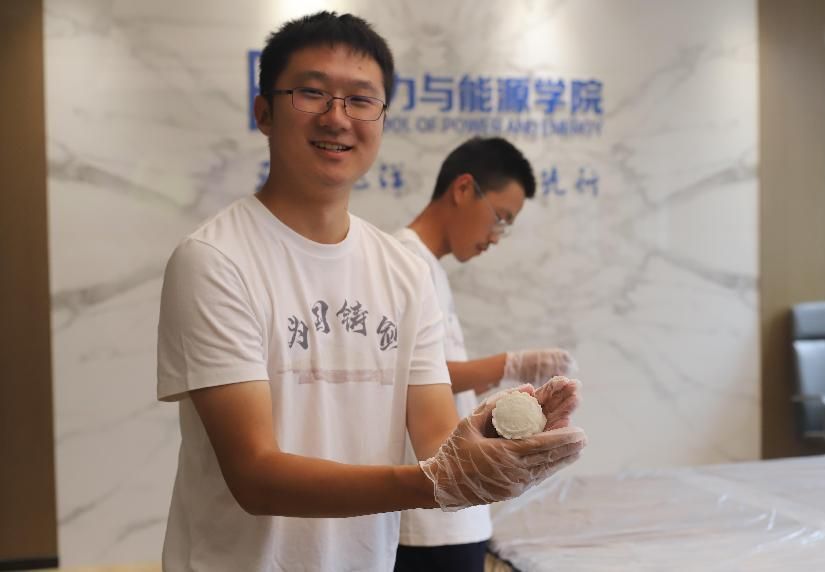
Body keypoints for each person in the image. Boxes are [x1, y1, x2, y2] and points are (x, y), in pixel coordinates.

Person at [156, 12, 586, 572]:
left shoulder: (403, 271)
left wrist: (494, 437)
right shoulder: (215, 260)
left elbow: (437, 439)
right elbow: (255, 476)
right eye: (312, 93)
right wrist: (434, 483)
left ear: (381, 119)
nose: (337, 117)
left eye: (361, 100)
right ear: (264, 112)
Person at [393, 137, 575, 570]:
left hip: (452, 510)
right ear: (462, 189)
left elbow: (436, 380)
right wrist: (510, 364)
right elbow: (409, 376)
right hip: (427, 521)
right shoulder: (402, 262)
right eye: (500, 218)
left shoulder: (427, 266)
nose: (495, 237)